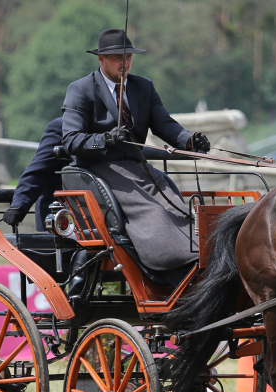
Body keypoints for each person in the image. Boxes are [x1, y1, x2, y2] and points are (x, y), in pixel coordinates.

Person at [60, 28, 210, 273]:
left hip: (137, 168)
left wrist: (189, 140)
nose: (125, 63)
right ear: (101, 60)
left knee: (174, 203)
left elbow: (165, 124)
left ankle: (200, 254)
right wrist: (106, 139)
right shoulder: (81, 89)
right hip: (100, 169)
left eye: (128, 57)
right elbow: (72, 141)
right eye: (118, 58)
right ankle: (173, 263)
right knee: (153, 209)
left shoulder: (143, 87)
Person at [2, 117, 63, 231]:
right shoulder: (61, 127)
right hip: (61, 219)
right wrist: (18, 206)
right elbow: (38, 171)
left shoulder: (104, 130)